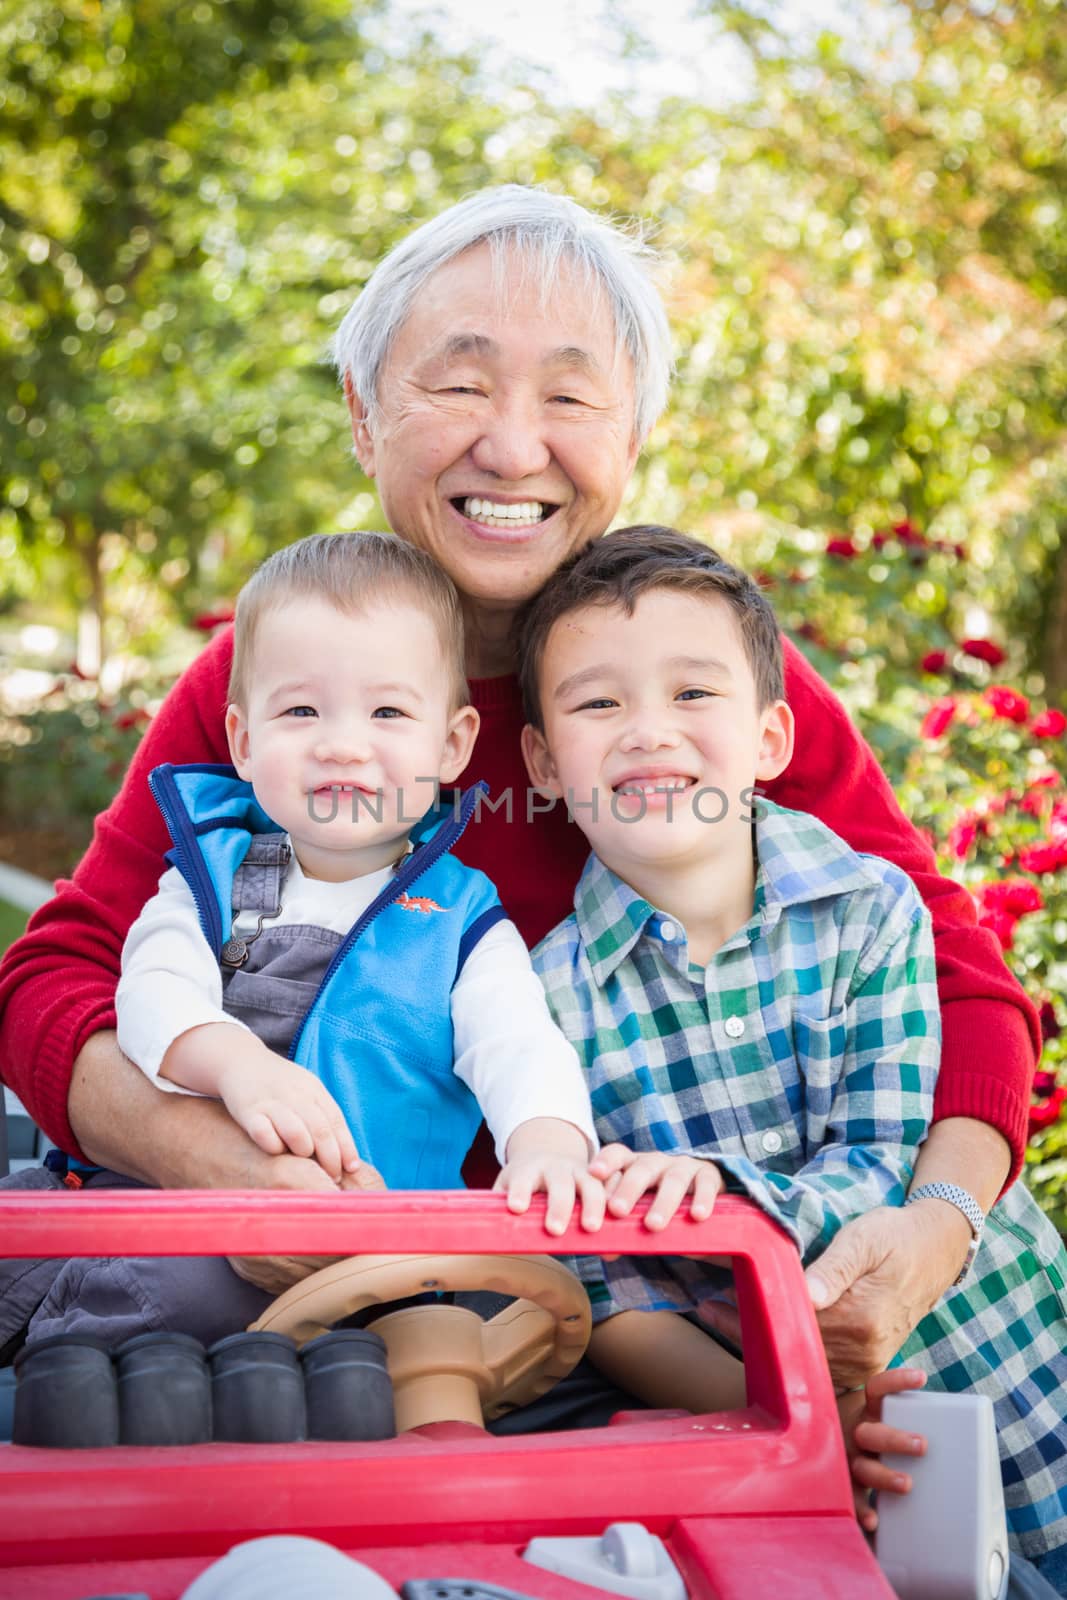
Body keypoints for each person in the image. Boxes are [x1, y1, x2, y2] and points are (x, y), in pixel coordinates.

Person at [0, 186, 1041, 1396]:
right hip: (376, 1320)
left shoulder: (695, 689)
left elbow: (956, 974)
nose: (511, 446)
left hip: (670, 1306)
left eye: (569, 395)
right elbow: (53, 981)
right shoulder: (280, 691)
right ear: (360, 413)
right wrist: (212, 1158)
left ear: (633, 432)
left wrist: (939, 1224)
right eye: (457, 384)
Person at [519, 524, 1067, 1577]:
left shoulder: (870, 912)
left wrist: (708, 1193)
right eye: (597, 703)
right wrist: (789, 1420)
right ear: (542, 760)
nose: (647, 731)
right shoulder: (543, 996)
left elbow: (880, 1166)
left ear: (771, 737)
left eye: (692, 694)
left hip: (1006, 1361)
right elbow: (601, 1289)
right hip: (816, 1444)